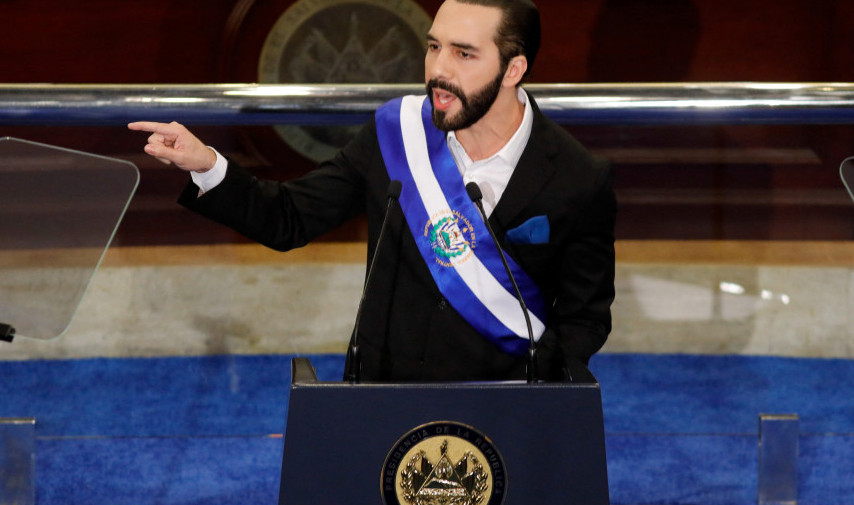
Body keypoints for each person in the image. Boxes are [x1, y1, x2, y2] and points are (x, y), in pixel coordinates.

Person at [128, 0, 616, 382]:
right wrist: (209, 165)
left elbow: (585, 318)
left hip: (504, 406)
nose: (438, 70)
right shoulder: (397, 134)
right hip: (384, 398)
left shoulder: (578, 177)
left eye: (464, 54)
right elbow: (288, 219)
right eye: (433, 47)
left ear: (514, 69)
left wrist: (544, 400)